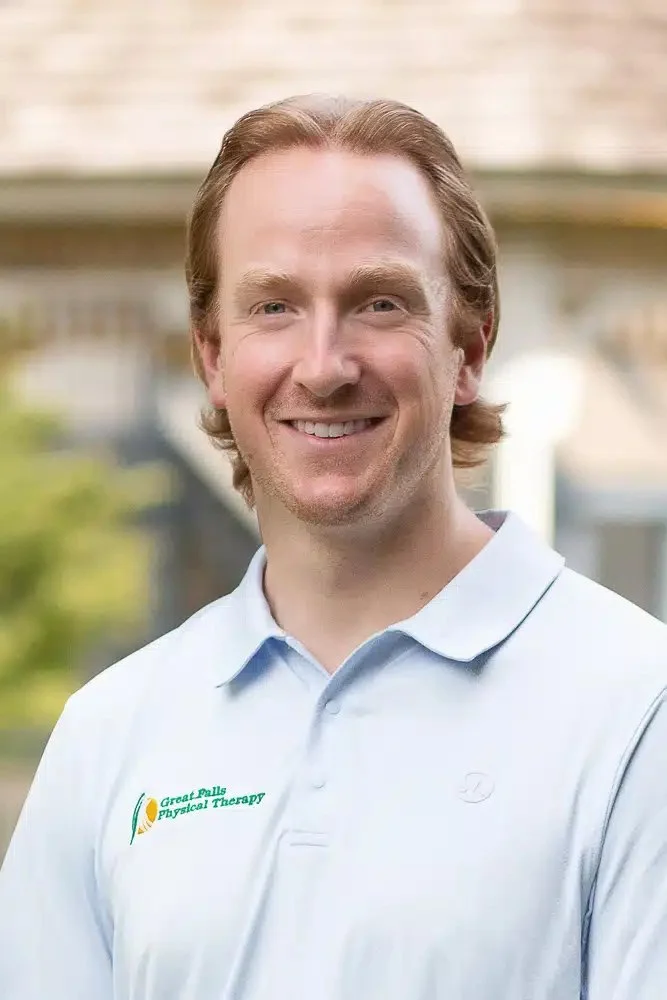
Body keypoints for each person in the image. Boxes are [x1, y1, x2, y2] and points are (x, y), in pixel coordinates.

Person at [1, 94, 666, 1000]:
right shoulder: (110, 735)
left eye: (378, 303)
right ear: (212, 355)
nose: (322, 366)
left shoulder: (637, 711)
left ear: (470, 347)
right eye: (273, 306)